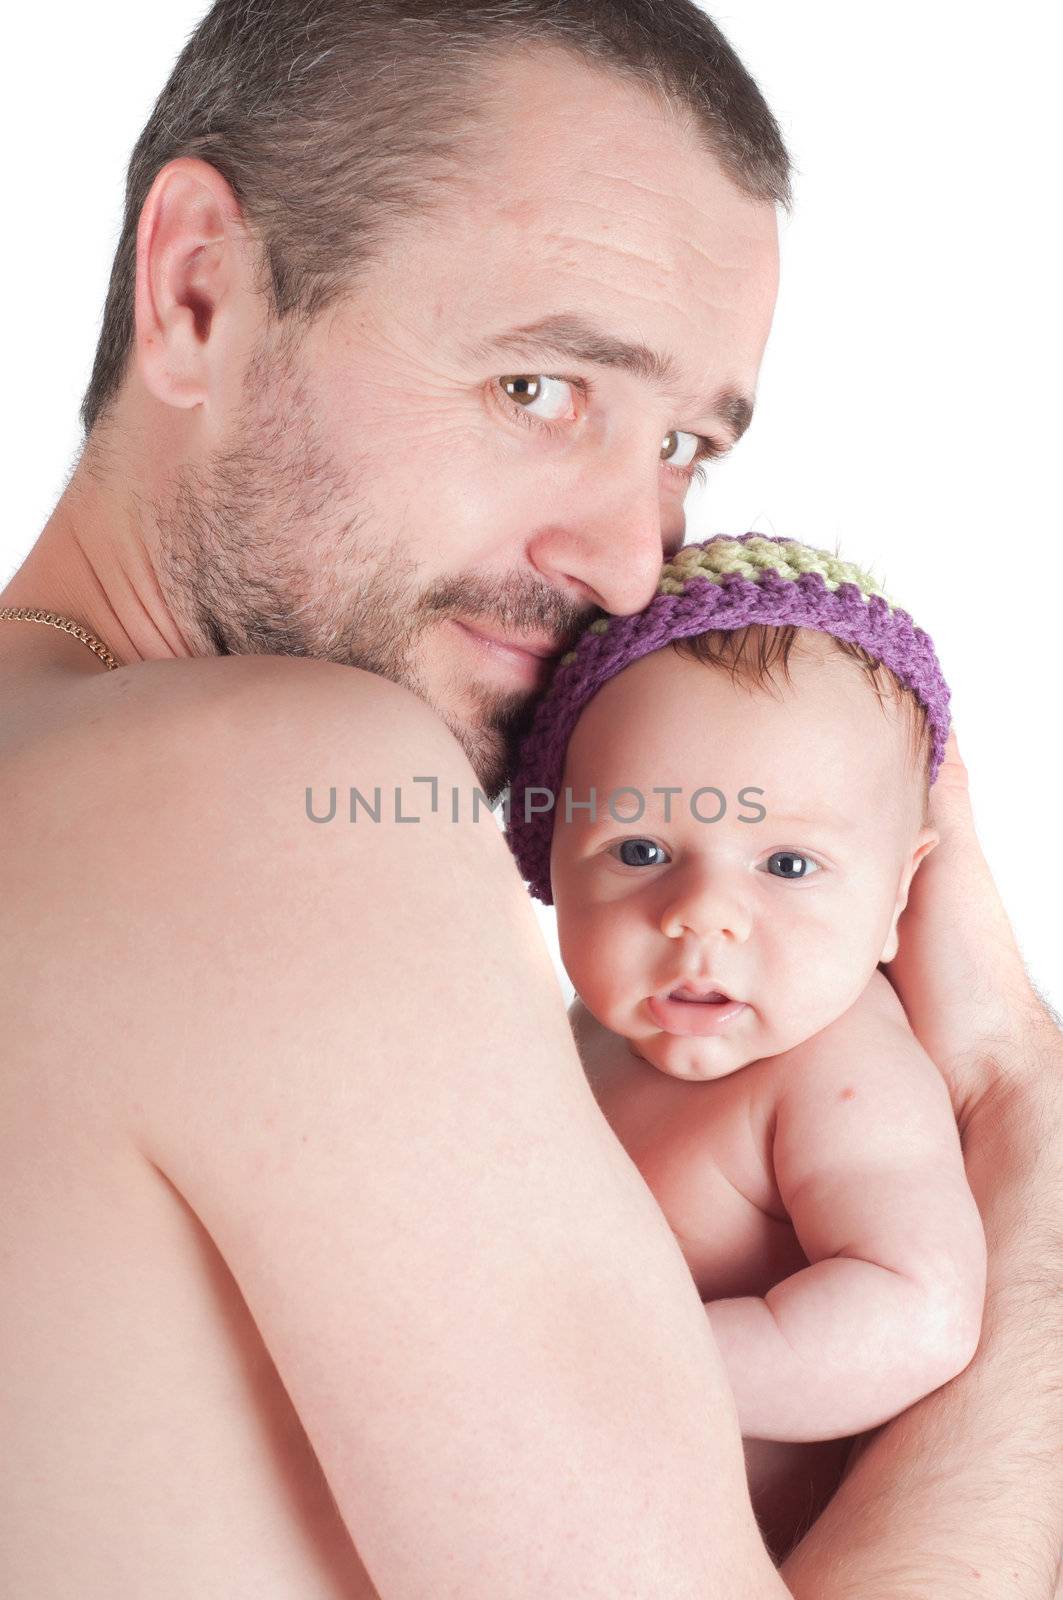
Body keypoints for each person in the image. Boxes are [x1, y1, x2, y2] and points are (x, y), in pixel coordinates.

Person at [0, 2, 1059, 1595]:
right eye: (542, 389)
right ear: (200, 292)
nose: (631, 561)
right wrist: (1014, 1113)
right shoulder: (279, 783)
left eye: (683, 445)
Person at [505, 531, 989, 1556]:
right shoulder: (583, 1036)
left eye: (786, 863)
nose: (701, 915)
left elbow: (915, 1309)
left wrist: (646, 1366)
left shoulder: (840, 1069)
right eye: (638, 849)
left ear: (897, 894)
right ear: (550, 858)